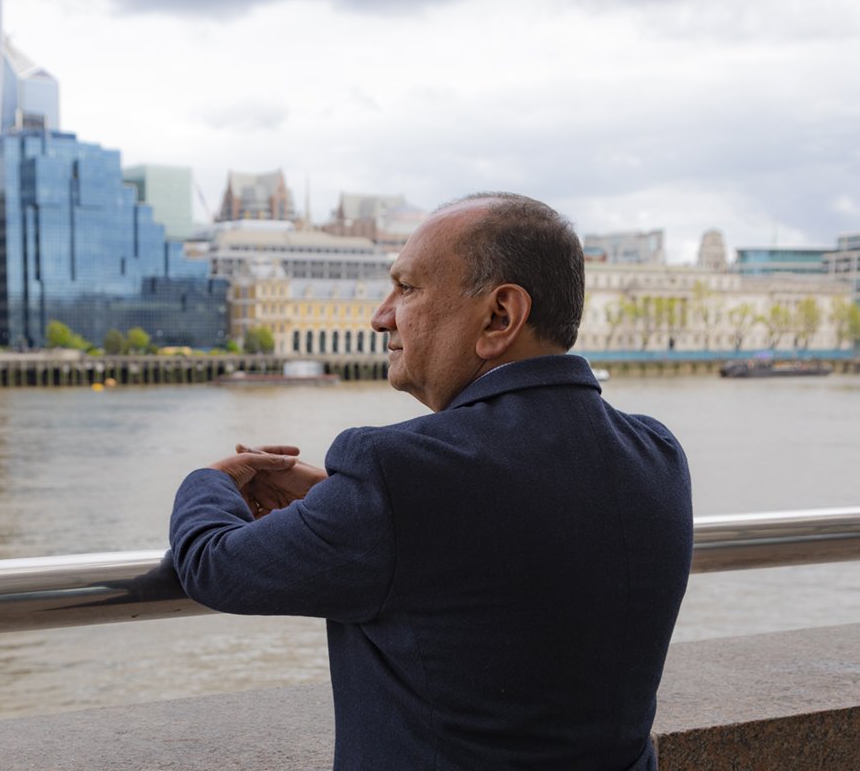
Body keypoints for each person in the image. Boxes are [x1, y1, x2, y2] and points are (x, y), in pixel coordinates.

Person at [169, 192, 693, 770]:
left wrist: (211, 480)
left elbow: (213, 565)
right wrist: (339, 497)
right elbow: (506, 532)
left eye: (408, 288)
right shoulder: (656, 454)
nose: (380, 316)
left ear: (499, 316)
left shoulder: (398, 474)